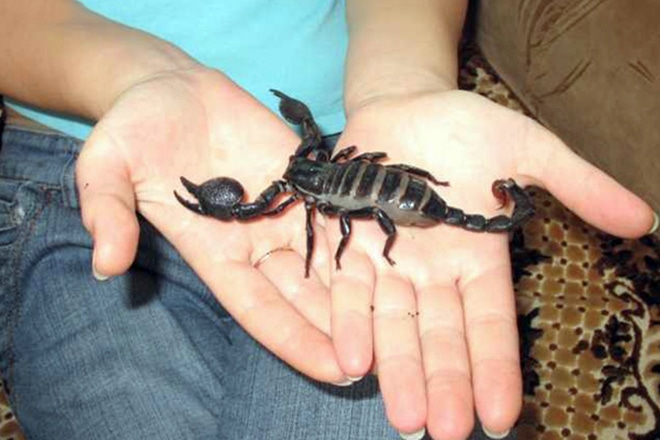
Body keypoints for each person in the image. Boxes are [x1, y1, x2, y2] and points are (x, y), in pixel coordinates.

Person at [0, 1, 655, 439]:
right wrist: (143, 76)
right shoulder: (313, 170)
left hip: (365, 137)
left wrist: (401, 82)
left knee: (401, 399)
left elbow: (327, 223)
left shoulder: (303, 188)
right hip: (66, 167)